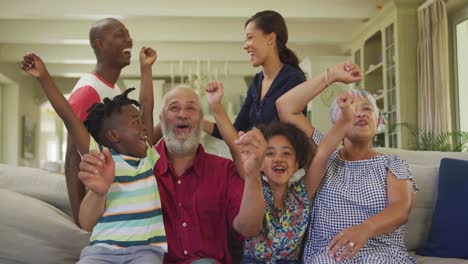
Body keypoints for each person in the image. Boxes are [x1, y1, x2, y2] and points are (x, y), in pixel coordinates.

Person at [79, 86, 268, 264]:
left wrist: (253, 176)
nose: (183, 114)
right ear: (161, 120)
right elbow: (88, 221)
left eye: (191, 108)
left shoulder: (223, 169)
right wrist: (97, 192)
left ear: (201, 121)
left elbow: (249, 229)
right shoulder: (136, 166)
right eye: (174, 108)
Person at [21, 49, 168, 263]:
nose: (145, 128)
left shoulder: (148, 156)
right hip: (102, 251)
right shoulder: (101, 158)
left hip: (144, 251)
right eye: (136, 123)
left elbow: (146, 105)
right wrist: (44, 78)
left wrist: (146, 69)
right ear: (113, 135)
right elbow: (70, 118)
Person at [276, 62, 418, 263]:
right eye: (352, 109)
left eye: (367, 109)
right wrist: (331, 75)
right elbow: (285, 107)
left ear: (377, 122)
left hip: (381, 253)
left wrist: (365, 229)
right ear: (338, 122)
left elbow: (401, 208)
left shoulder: (391, 163)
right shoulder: (323, 155)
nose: (360, 113)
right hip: (329, 254)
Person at [205, 81, 356, 263]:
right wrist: (215, 105)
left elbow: (323, 154)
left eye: (286, 153)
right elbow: (233, 143)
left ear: (296, 163)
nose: (278, 158)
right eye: (269, 153)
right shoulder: (254, 183)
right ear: (260, 162)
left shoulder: (302, 191)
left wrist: (345, 119)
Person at [66, 17, 133, 225]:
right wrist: (80, 222)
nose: (129, 40)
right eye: (120, 35)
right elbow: (72, 158)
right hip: (98, 205)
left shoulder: (115, 90)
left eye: (128, 35)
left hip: (117, 201)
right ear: (100, 44)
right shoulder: (88, 90)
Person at [203, 10, 306, 139]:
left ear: (271, 38)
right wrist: (199, 120)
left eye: (250, 37)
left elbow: (295, 136)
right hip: (261, 159)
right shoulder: (257, 82)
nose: (245, 46)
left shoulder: (293, 79)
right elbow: (235, 131)